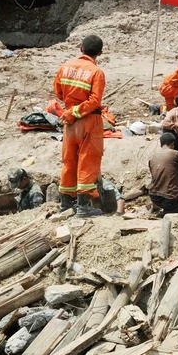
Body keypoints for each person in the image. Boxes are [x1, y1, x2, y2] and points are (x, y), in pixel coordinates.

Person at [54, 35, 106, 218]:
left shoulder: (65, 67)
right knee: (88, 160)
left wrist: (71, 110)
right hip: (88, 121)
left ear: (81, 48)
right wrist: (78, 111)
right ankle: (83, 207)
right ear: (100, 52)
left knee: (69, 161)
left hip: (69, 123)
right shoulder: (96, 72)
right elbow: (95, 100)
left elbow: (59, 93)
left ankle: (65, 204)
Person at [148, 132, 178, 216]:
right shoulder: (175, 154)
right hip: (170, 197)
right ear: (172, 143)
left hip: (154, 196)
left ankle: (159, 209)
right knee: (173, 215)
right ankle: (169, 212)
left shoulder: (152, 156)